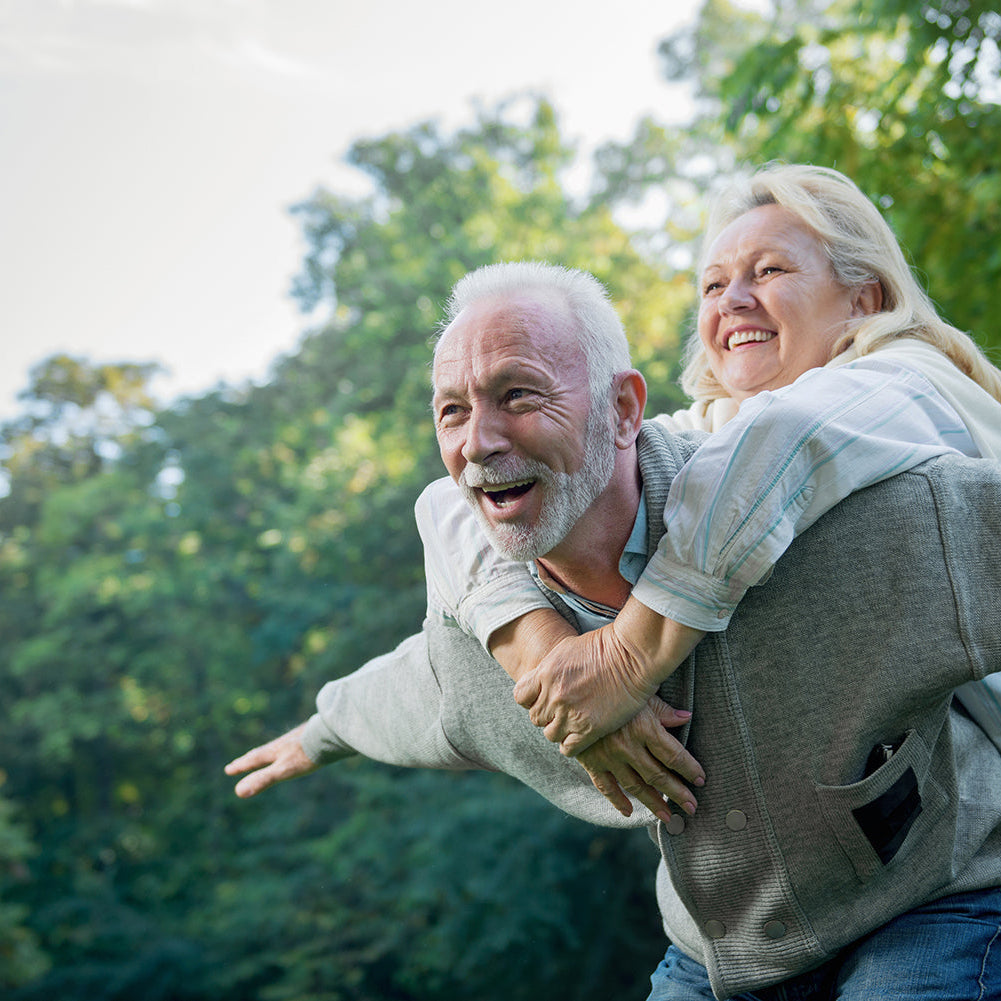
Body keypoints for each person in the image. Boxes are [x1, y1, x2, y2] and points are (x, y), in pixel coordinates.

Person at [226, 261, 1001, 1000]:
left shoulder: (828, 528)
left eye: (518, 394)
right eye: (453, 410)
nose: (478, 442)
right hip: (719, 956)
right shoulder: (486, 645)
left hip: (935, 903)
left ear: (624, 409)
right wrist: (325, 726)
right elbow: (410, 689)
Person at [414, 164, 1001, 766]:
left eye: (769, 271)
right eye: (713, 286)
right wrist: (549, 661)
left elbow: (785, 438)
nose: (734, 300)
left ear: (863, 299)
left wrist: (626, 659)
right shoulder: (719, 426)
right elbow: (445, 503)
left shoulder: (915, 380)